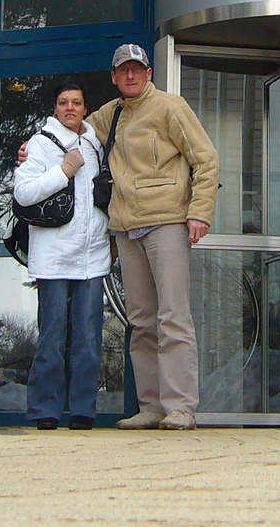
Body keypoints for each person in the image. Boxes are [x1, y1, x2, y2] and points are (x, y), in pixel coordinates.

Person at [86, 43, 219, 431]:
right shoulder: (110, 115)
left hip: (167, 222)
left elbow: (206, 159)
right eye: (123, 70)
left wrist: (199, 212)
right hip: (126, 228)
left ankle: (180, 407)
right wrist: (35, 148)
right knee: (141, 321)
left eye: (137, 69)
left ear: (148, 73)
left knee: (173, 316)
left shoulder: (170, 107)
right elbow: (71, 130)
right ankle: (152, 407)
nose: (130, 76)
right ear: (113, 77)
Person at [12, 78, 111, 431]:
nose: (70, 108)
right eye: (64, 102)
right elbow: (23, 194)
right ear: (55, 108)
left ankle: (83, 410)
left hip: (93, 256)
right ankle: (45, 411)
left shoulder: (98, 143)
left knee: (88, 338)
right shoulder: (39, 144)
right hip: (53, 259)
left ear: (86, 108)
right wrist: (64, 170)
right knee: (52, 337)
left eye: (77, 102)